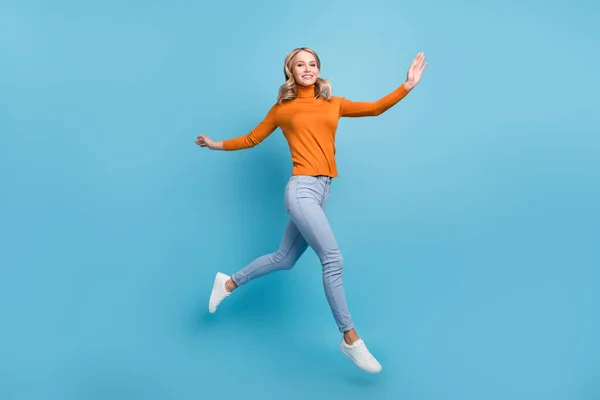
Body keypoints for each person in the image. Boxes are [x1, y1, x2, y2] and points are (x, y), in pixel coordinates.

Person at [195, 47, 427, 374]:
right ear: (290, 72)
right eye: (300, 64)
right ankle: (350, 338)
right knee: (333, 259)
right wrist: (214, 143)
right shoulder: (283, 109)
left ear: (319, 69)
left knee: (284, 258)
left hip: (322, 191)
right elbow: (251, 139)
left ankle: (229, 283)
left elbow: (374, 109)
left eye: (312, 63)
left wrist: (407, 86)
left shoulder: (334, 104)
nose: (308, 68)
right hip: (301, 189)